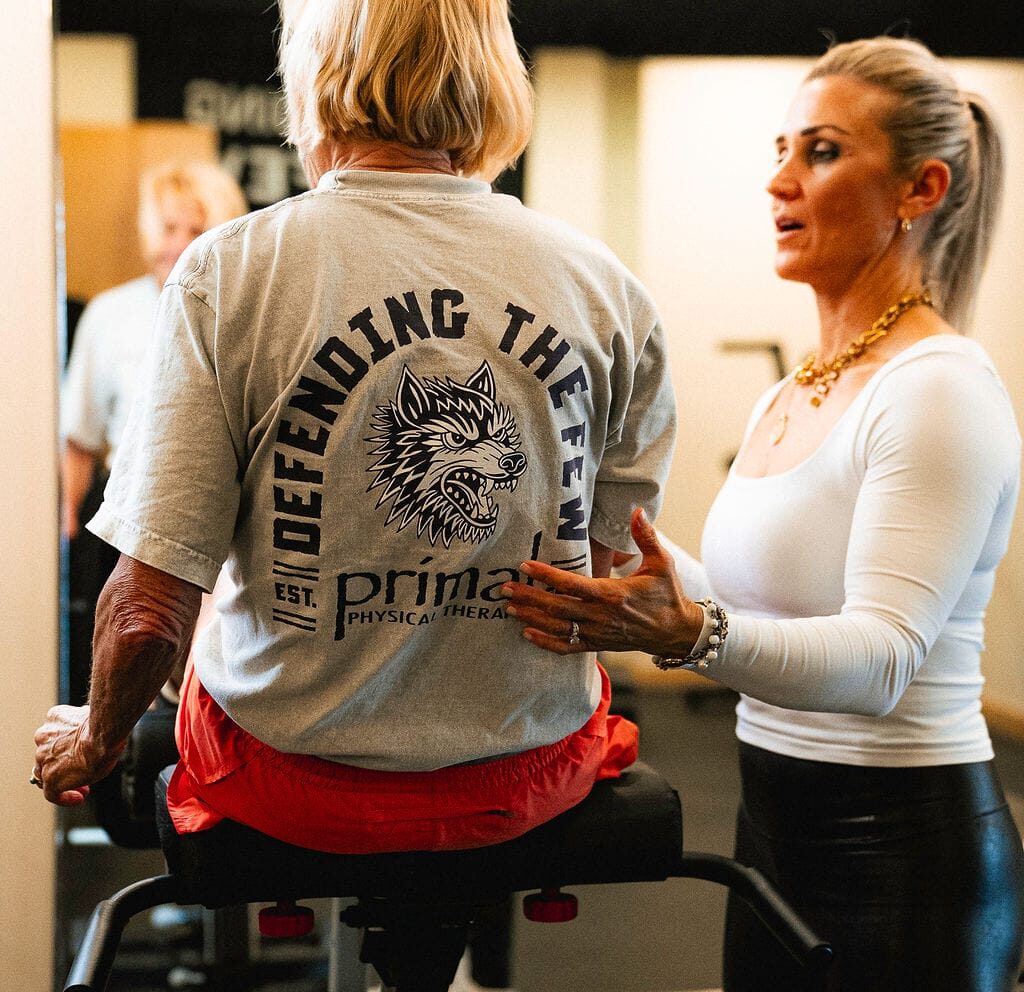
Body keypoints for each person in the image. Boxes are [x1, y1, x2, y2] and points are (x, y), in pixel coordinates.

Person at [35, 0, 675, 937]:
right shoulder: (607, 288)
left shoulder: (230, 273)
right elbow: (601, 578)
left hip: (289, 780)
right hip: (527, 774)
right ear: (494, 81)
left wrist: (92, 739)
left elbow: (147, 614)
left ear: (313, 81)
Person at [500, 36, 1024, 992]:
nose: (780, 180)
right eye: (781, 151)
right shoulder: (792, 392)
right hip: (773, 836)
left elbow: (880, 660)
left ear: (921, 188)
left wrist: (689, 634)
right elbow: (761, 606)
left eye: (821, 152)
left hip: (902, 852)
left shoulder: (939, 389)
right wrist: (632, 558)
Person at [61, 160, 249, 704]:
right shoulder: (110, 314)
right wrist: (65, 526)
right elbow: (79, 439)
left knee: (205, 675)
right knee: (123, 667)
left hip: (223, 515)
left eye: (197, 228)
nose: (179, 244)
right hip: (126, 513)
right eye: (168, 228)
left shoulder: (246, 313)